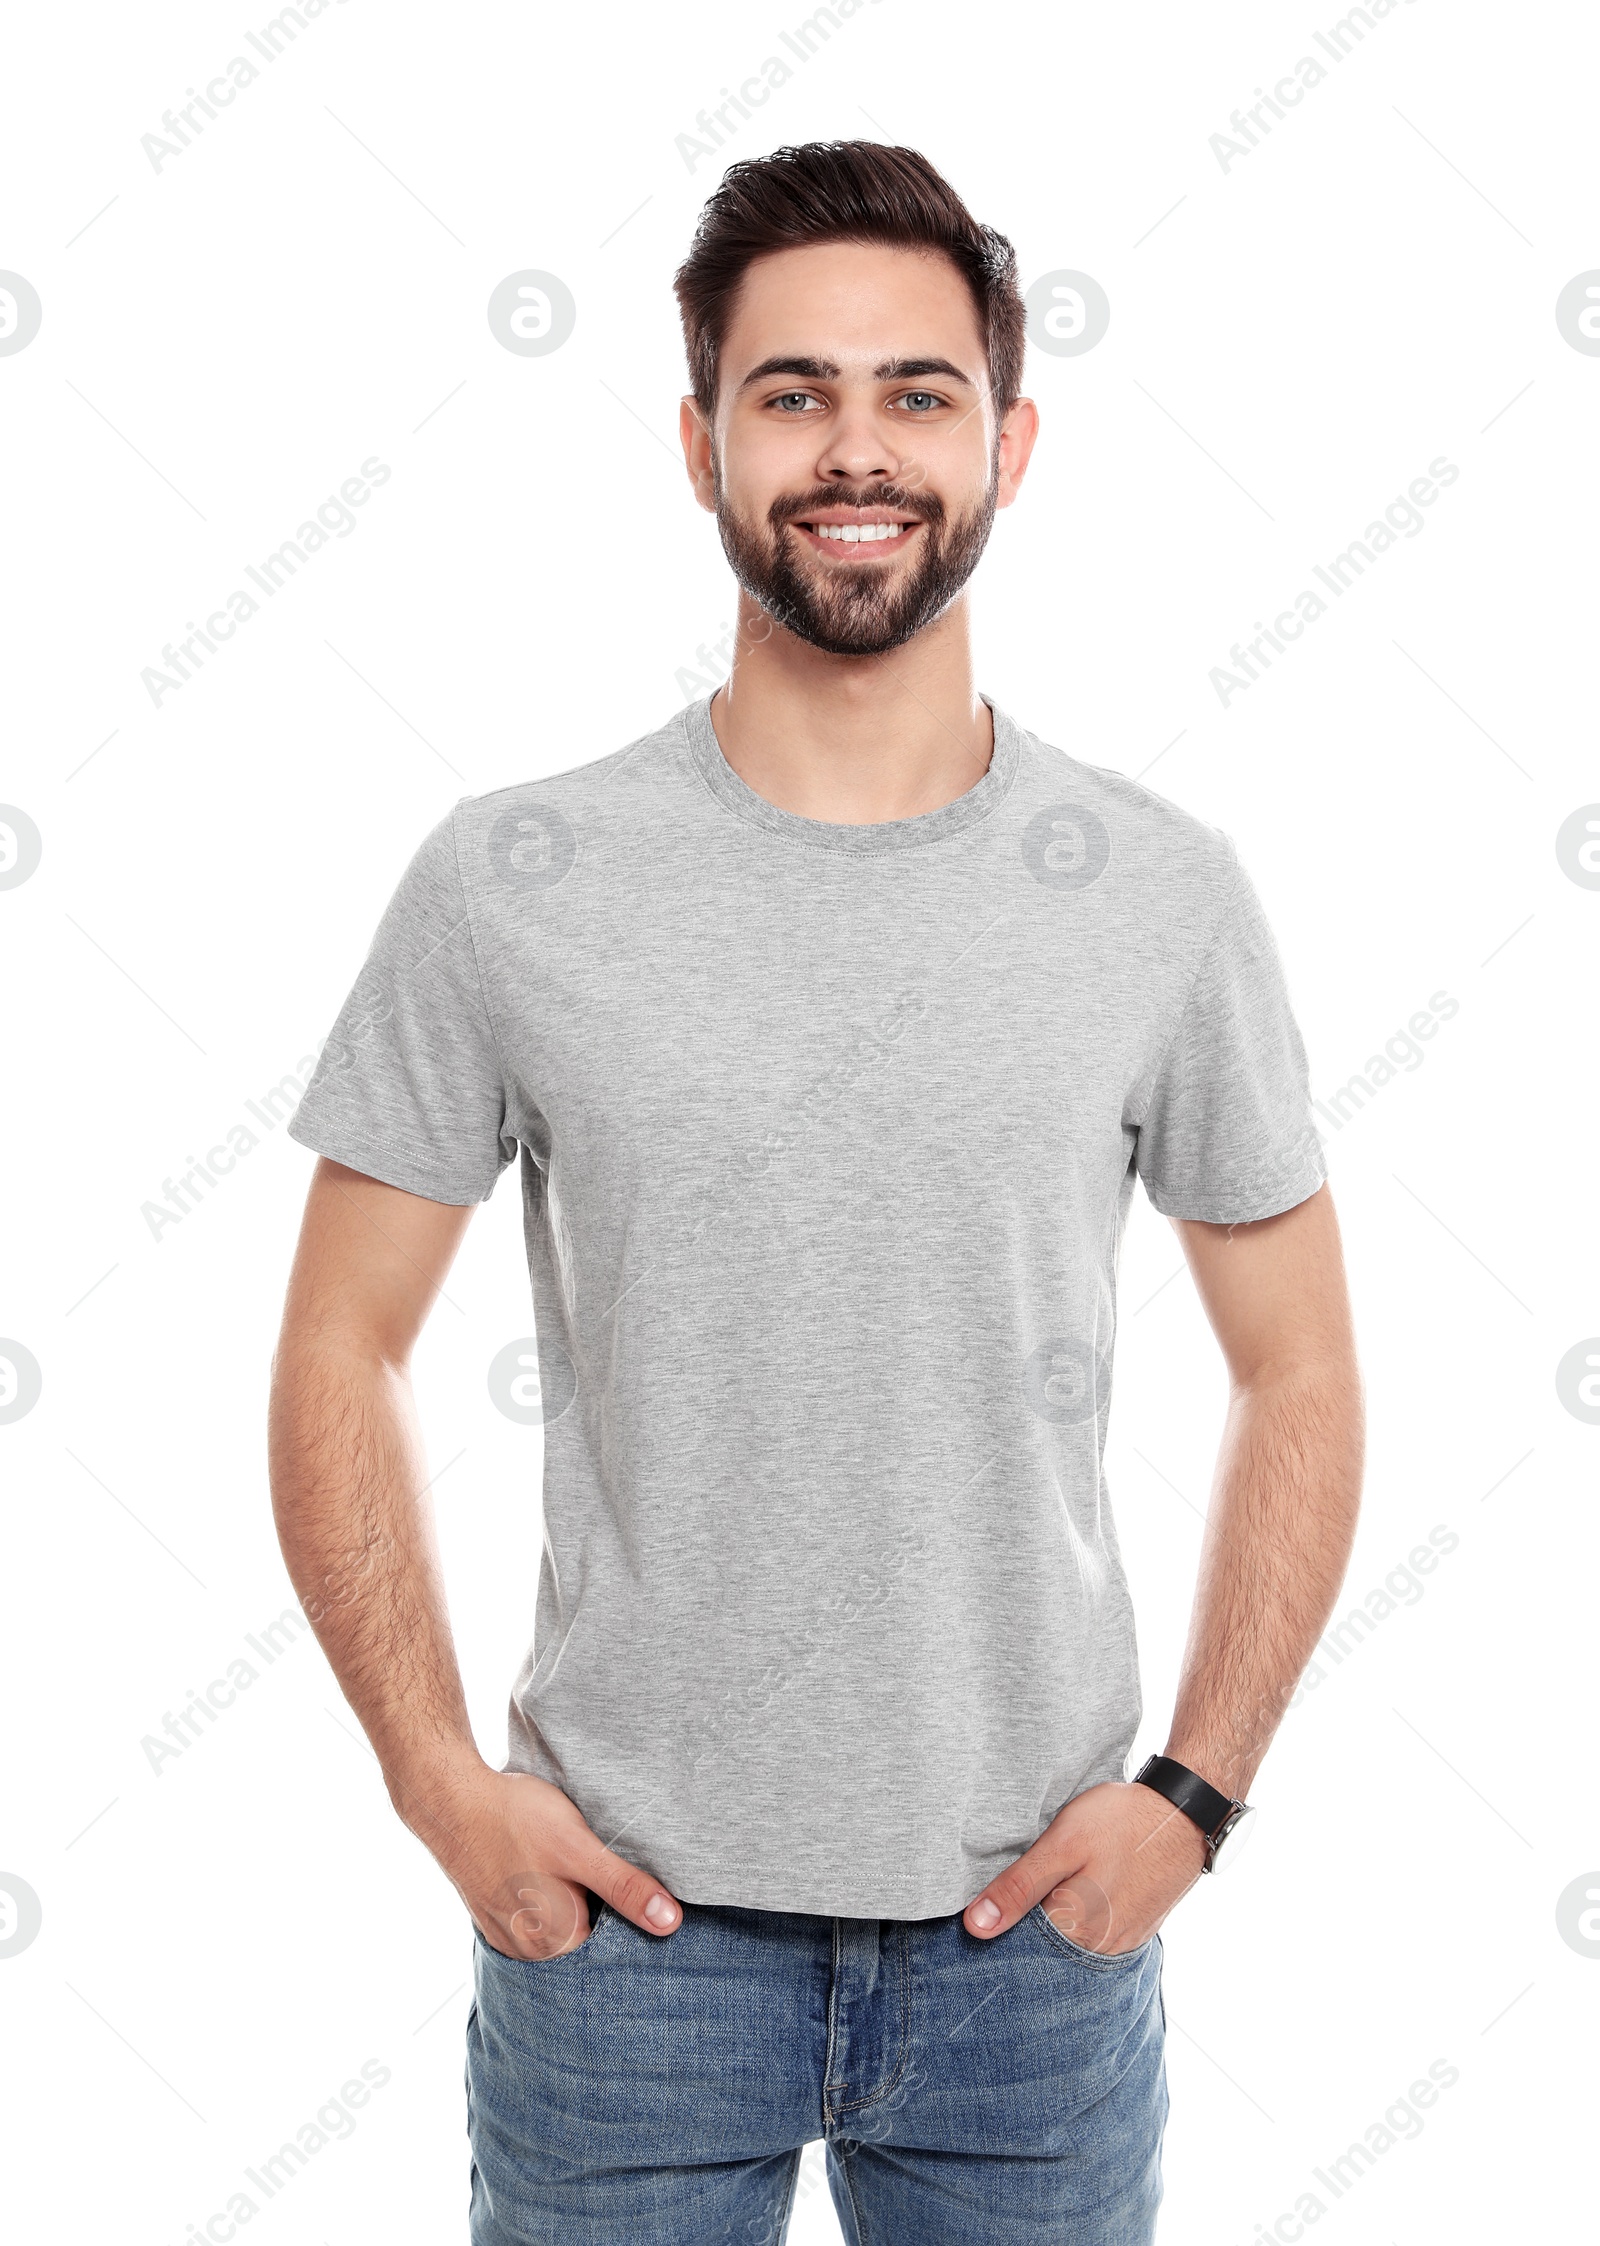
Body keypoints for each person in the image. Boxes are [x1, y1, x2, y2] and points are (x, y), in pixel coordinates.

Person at [269, 139, 1364, 2246]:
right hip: (623, 1955)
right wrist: (433, 1780)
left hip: (1031, 1948)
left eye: (914, 392)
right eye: (790, 393)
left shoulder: (1158, 896)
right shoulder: (512, 880)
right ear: (697, 443)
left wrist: (1194, 1801)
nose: (851, 449)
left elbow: (1296, 1367)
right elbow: (338, 1340)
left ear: (1008, 442)